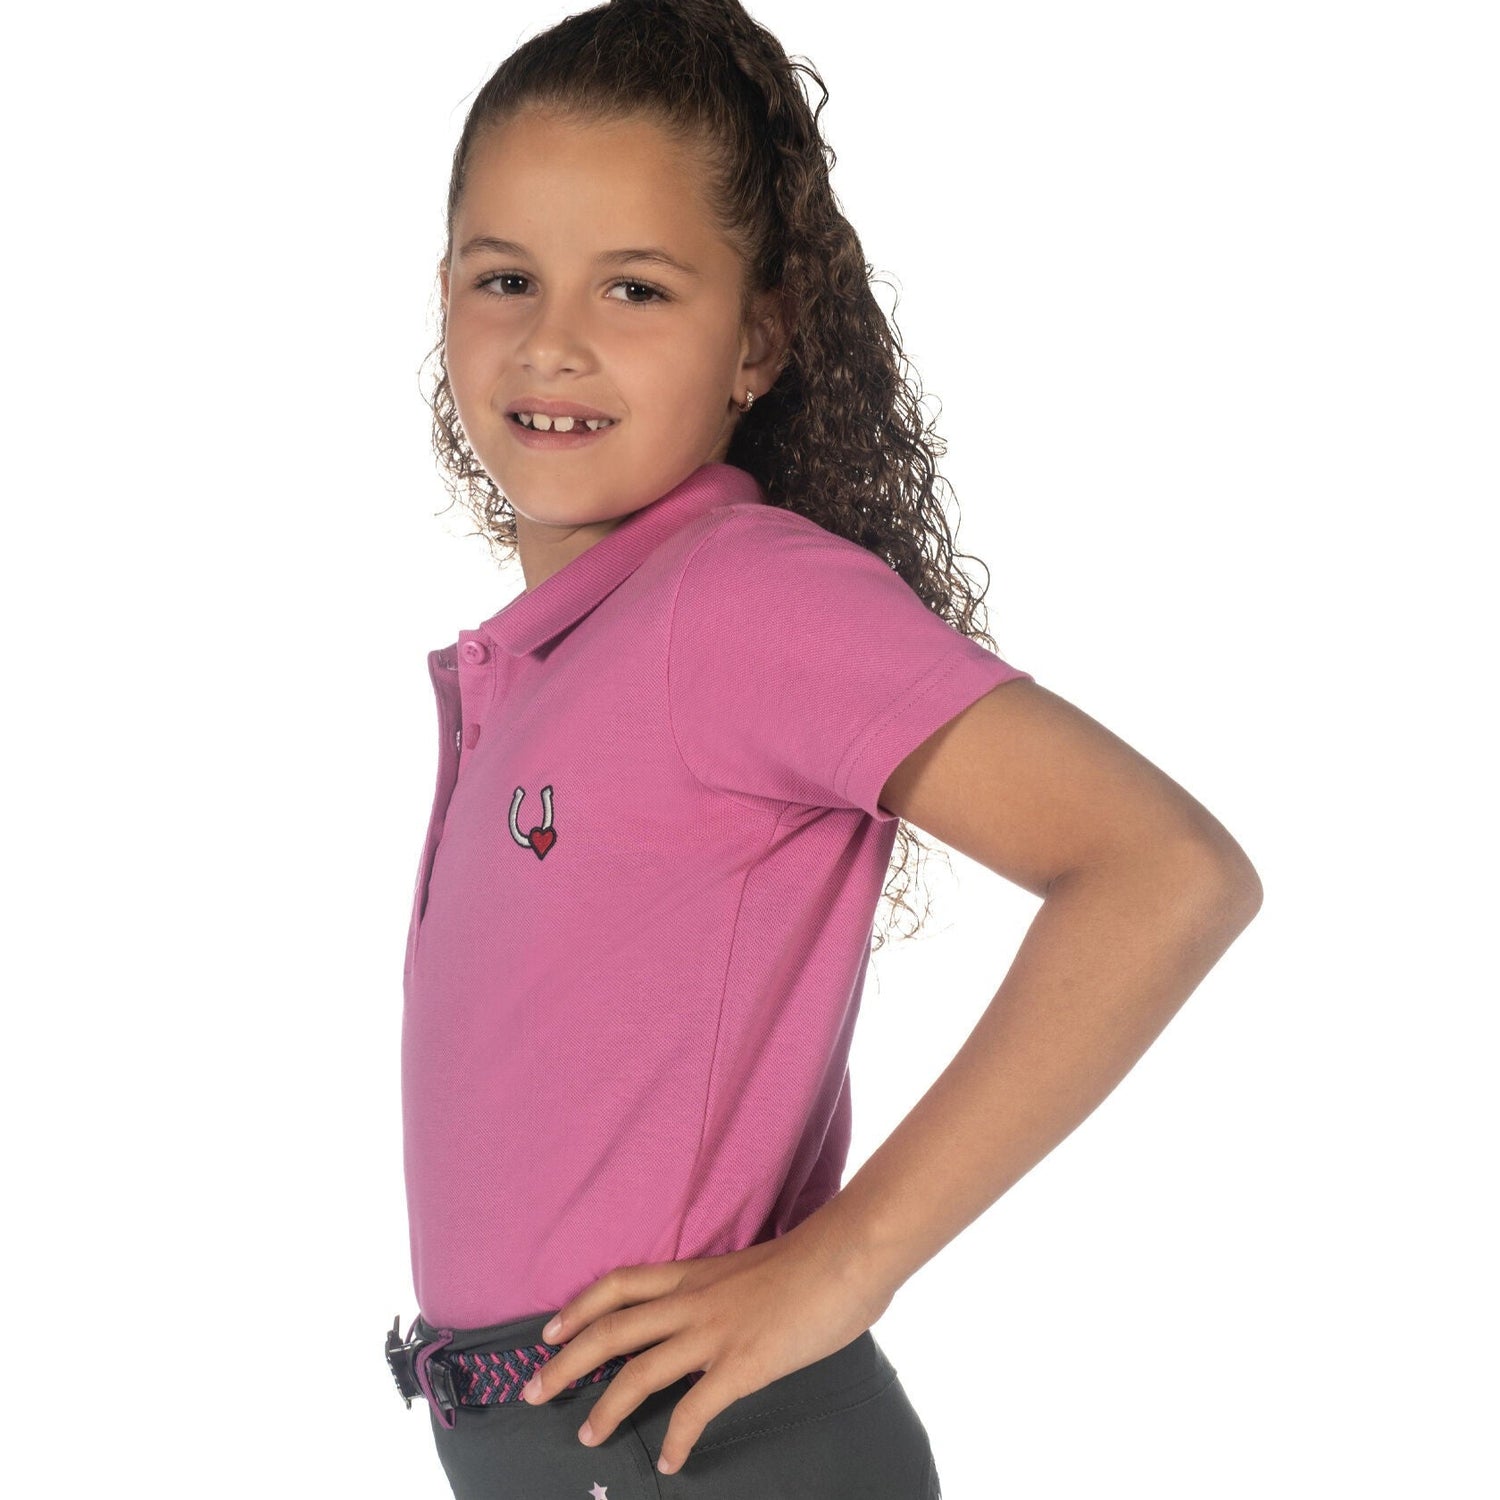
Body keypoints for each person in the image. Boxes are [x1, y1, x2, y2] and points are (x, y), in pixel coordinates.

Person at [384, 2, 1263, 1495]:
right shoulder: (549, 656)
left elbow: (1166, 872)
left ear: (760, 338)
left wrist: (846, 1264)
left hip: (707, 1450)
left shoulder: (734, 598)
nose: (553, 341)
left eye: (637, 288)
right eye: (506, 276)